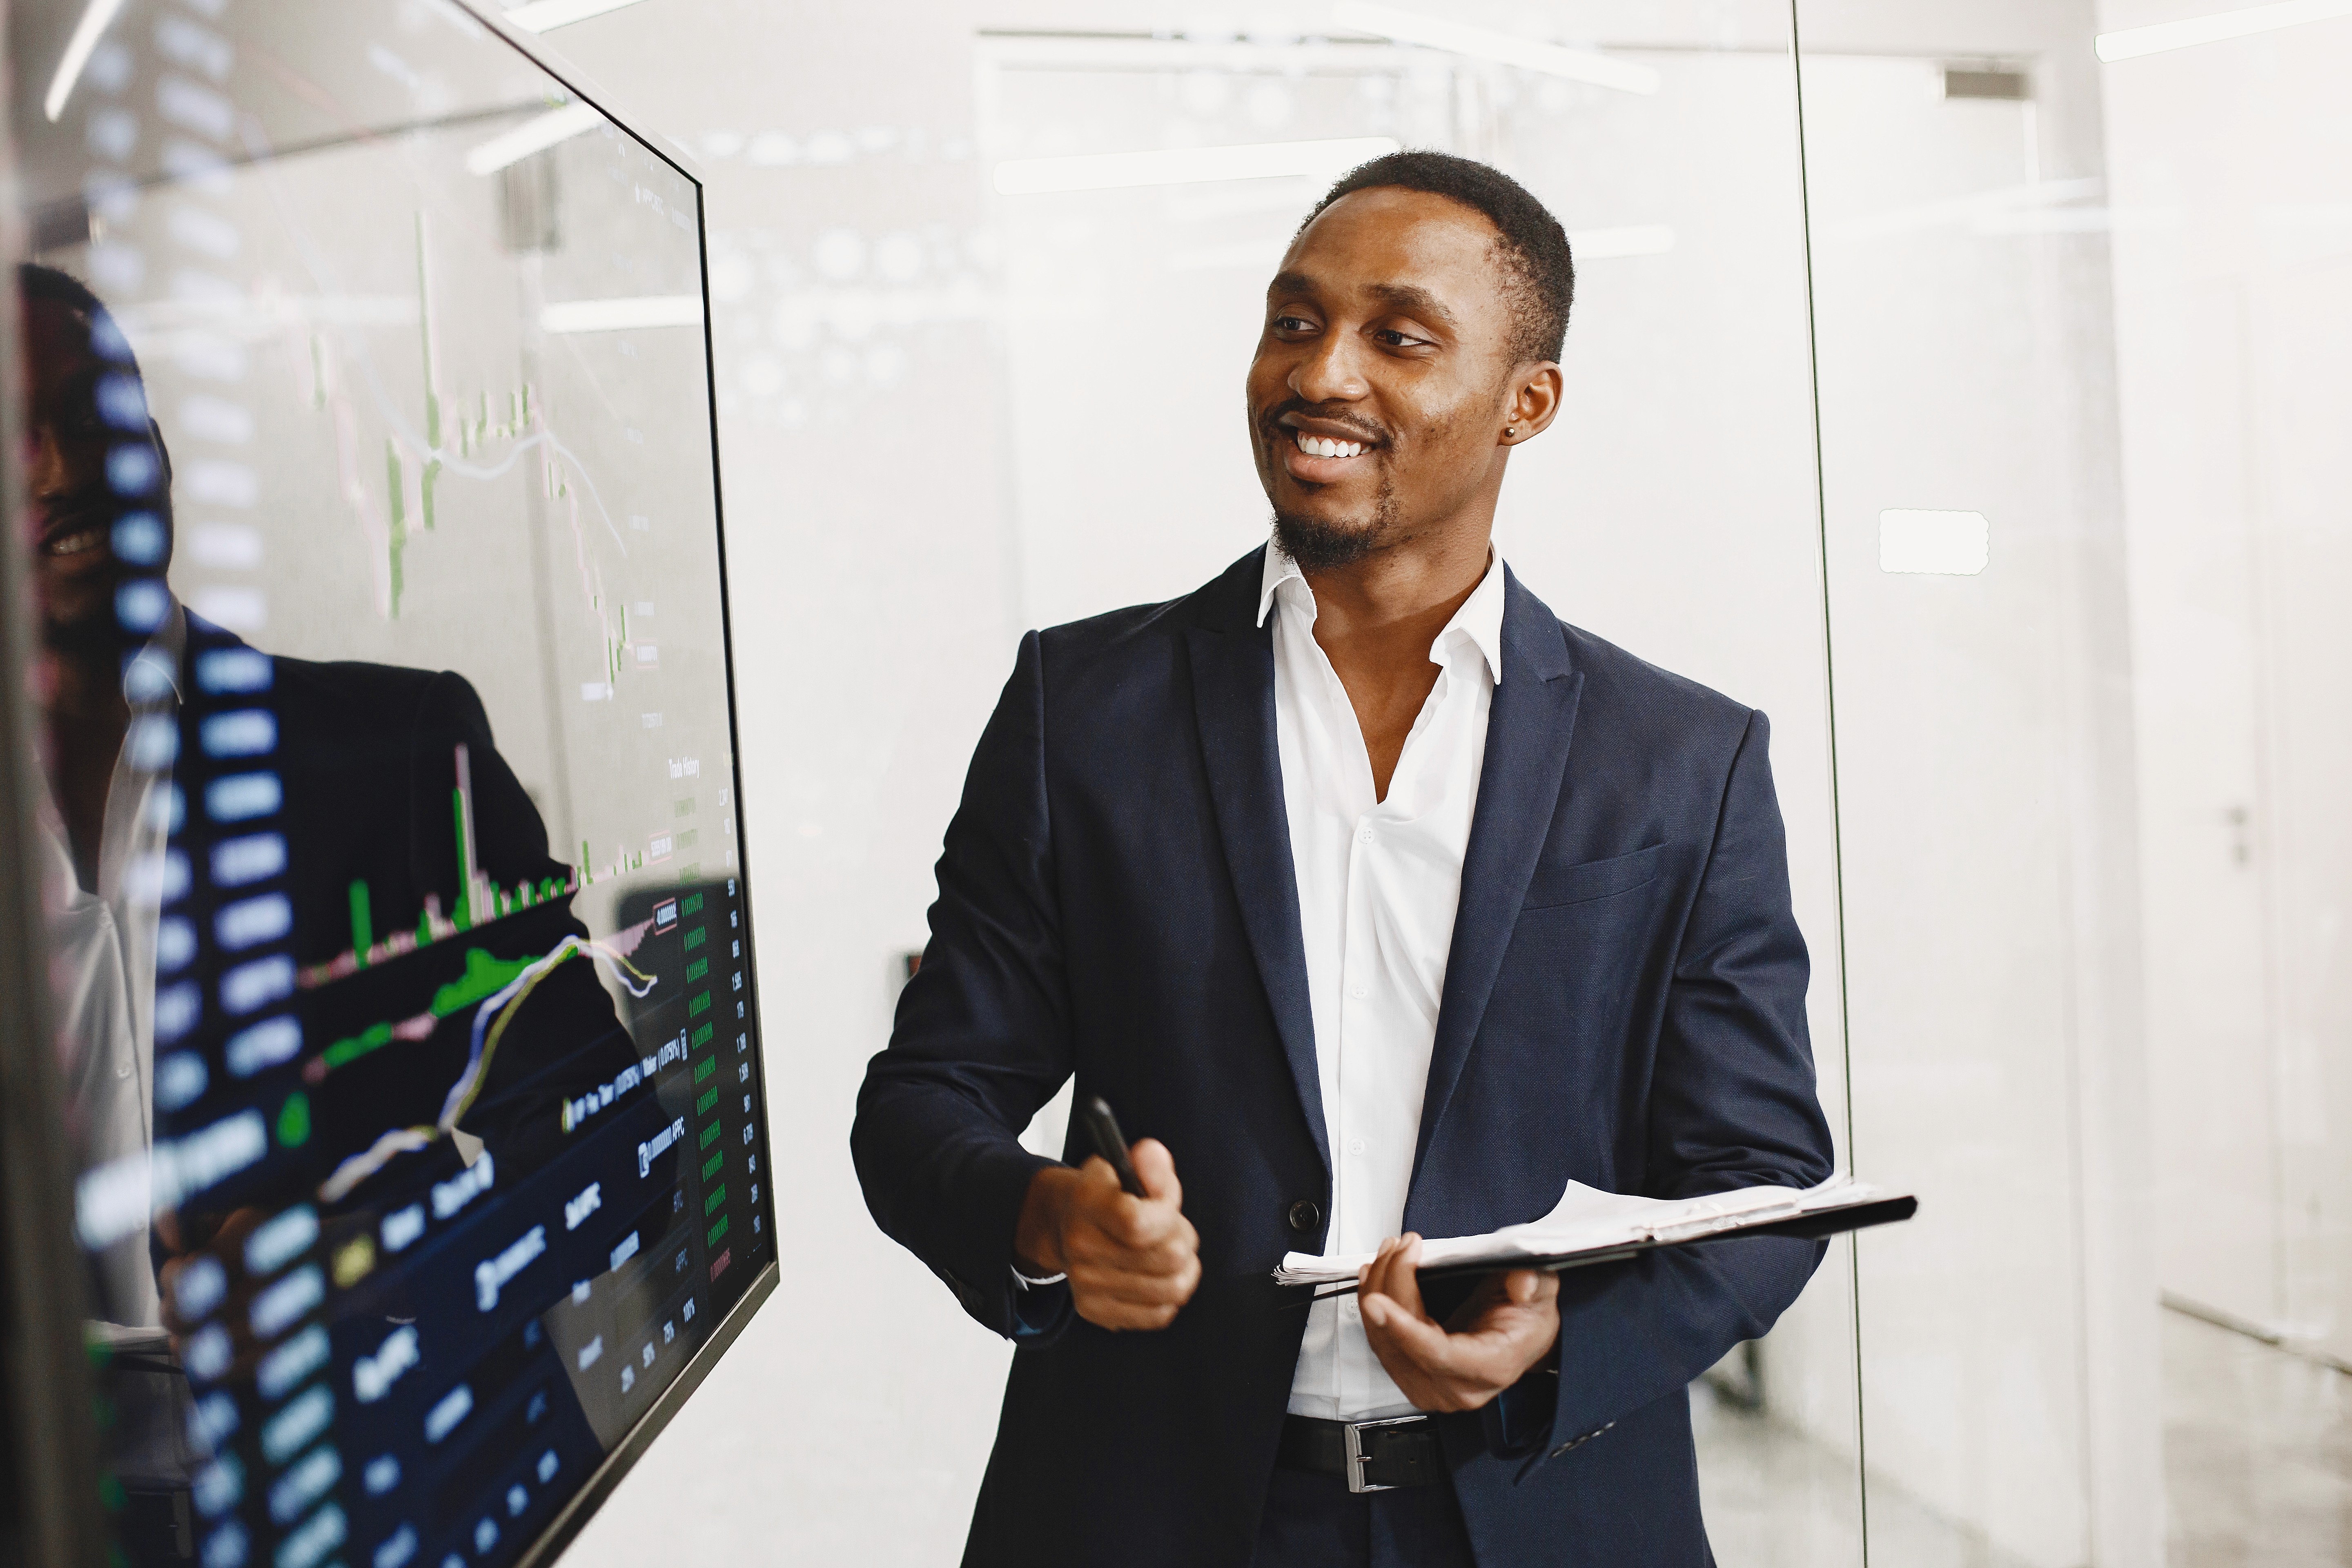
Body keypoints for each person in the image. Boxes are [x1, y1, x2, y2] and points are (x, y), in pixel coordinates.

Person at [852, 152, 1836, 1565]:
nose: (1321, 374)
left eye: (1400, 337)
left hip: (1540, 1513)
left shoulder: (1684, 759)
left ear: (1527, 402)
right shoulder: (1085, 711)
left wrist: (1560, 1345)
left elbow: (1758, 1182)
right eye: (1295, 321)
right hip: (1149, 1513)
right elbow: (924, 1098)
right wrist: (1042, 1212)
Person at [21, 263, 629, 1564]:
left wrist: (362, 1259)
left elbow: (614, 1144)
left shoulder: (398, 752)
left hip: (398, 1500)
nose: (60, 468)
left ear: (160, 453)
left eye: (90, 416)